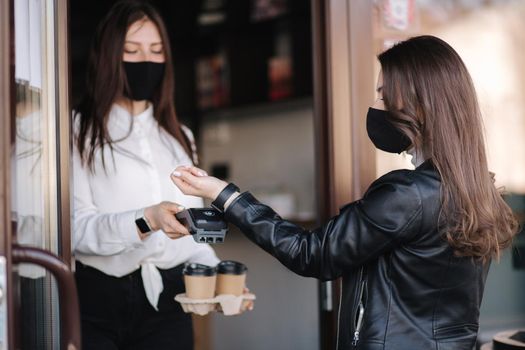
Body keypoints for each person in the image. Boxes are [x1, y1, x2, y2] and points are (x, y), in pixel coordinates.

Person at [171, 35, 519, 350]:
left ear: (420, 105)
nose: (376, 105)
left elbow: (313, 253)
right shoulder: (478, 191)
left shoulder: (408, 195)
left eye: (383, 95)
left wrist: (223, 194)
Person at [72, 1, 219, 349]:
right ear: (109, 56)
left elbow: (194, 232)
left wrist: (218, 274)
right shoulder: (77, 131)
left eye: (155, 51)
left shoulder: (180, 137)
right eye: (132, 51)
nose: (146, 62)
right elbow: (75, 230)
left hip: (170, 301)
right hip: (98, 302)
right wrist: (146, 220)